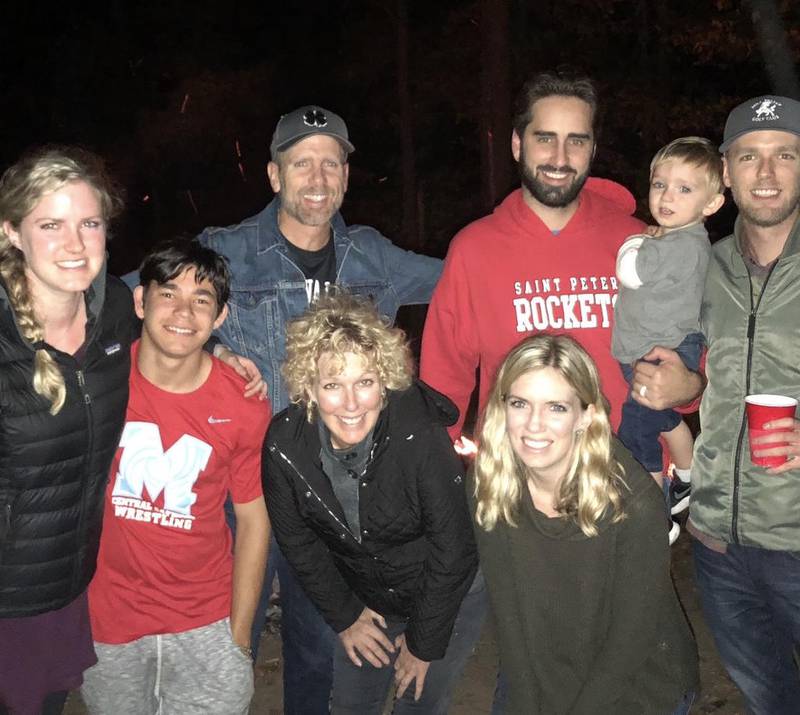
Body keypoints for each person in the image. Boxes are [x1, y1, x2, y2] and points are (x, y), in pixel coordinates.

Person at [197, 105, 443, 712]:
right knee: (230, 643)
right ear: (274, 176)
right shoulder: (226, 253)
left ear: (346, 177)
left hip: (336, 497)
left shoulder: (374, 256)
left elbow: (473, 277)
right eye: (301, 162)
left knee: (316, 650)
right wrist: (209, 350)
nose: (317, 176)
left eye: (331, 163)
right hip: (246, 491)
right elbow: (145, 302)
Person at [634, 95, 800, 715]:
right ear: (725, 175)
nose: (766, 173)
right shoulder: (706, 263)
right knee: (769, 698)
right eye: (749, 157)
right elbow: (703, 369)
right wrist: (690, 391)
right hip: (719, 543)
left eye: (785, 154)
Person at [263, 293, 481, 714]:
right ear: (309, 387)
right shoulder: (284, 445)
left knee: (418, 699)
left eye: (364, 382)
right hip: (370, 597)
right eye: (332, 385)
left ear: (384, 381)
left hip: (446, 589)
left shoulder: (417, 433)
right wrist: (346, 616)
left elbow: (453, 549)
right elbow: (299, 543)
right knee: (350, 705)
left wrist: (422, 644)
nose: (350, 404)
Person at [81, 239, 270, 714]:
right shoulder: (99, 380)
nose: (183, 311)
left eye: (201, 300)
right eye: (168, 293)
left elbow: (253, 521)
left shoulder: (244, 403)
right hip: (108, 624)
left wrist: (239, 636)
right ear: (141, 301)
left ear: (220, 317)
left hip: (206, 622)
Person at [470, 333, 699, 714]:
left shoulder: (633, 501)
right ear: (502, 407)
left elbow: (630, 642)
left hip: (641, 686)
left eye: (556, 407)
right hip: (553, 666)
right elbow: (509, 618)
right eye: (520, 403)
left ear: (586, 415)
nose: (534, 425)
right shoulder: (489, 482)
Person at [420, 70, 644, 442]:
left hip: (625, 478)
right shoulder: (474, 249)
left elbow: (682, 355)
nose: (560, 158)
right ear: (517, 145)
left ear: (593, 149)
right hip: (516, 482)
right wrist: (429, 476)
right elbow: (443, 384)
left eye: (576, 141)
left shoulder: (636, 243)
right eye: (545, 139)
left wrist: (687, 385)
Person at [0, 147, 133, 715]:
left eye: (89, 223)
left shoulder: (117, 309)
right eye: (50, 225)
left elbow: (178, 327)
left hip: (67, 580)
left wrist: (224, 350)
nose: (75, 245)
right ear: (11, 233)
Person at [611, 137, 725, 540]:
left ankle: (656, 513)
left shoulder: (673, 244)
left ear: (711, 204)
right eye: (660, 185)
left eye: (684, 189)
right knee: (664, 417)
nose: (667, 197)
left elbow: (632, 271)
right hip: (670, 346)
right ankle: (688, 479)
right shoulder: (687, 240)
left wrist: (636, 241)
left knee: (637, 432)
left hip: (662, 351)